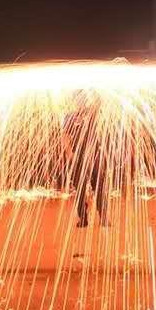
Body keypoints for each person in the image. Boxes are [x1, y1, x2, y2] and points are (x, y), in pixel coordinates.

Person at [62, 90, 107, 227]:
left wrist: (94, 86)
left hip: (94, 155)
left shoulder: (91, 112)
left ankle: (104, 217)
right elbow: (65, 137)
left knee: (99, 185)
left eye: (83, 98)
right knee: (80, 188)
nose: (80, 101)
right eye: (78, 99)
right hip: (78, 156)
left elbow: (100, 100)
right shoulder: (69, 117)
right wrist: (71, 156)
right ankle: (83, 218)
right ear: (74, 101)